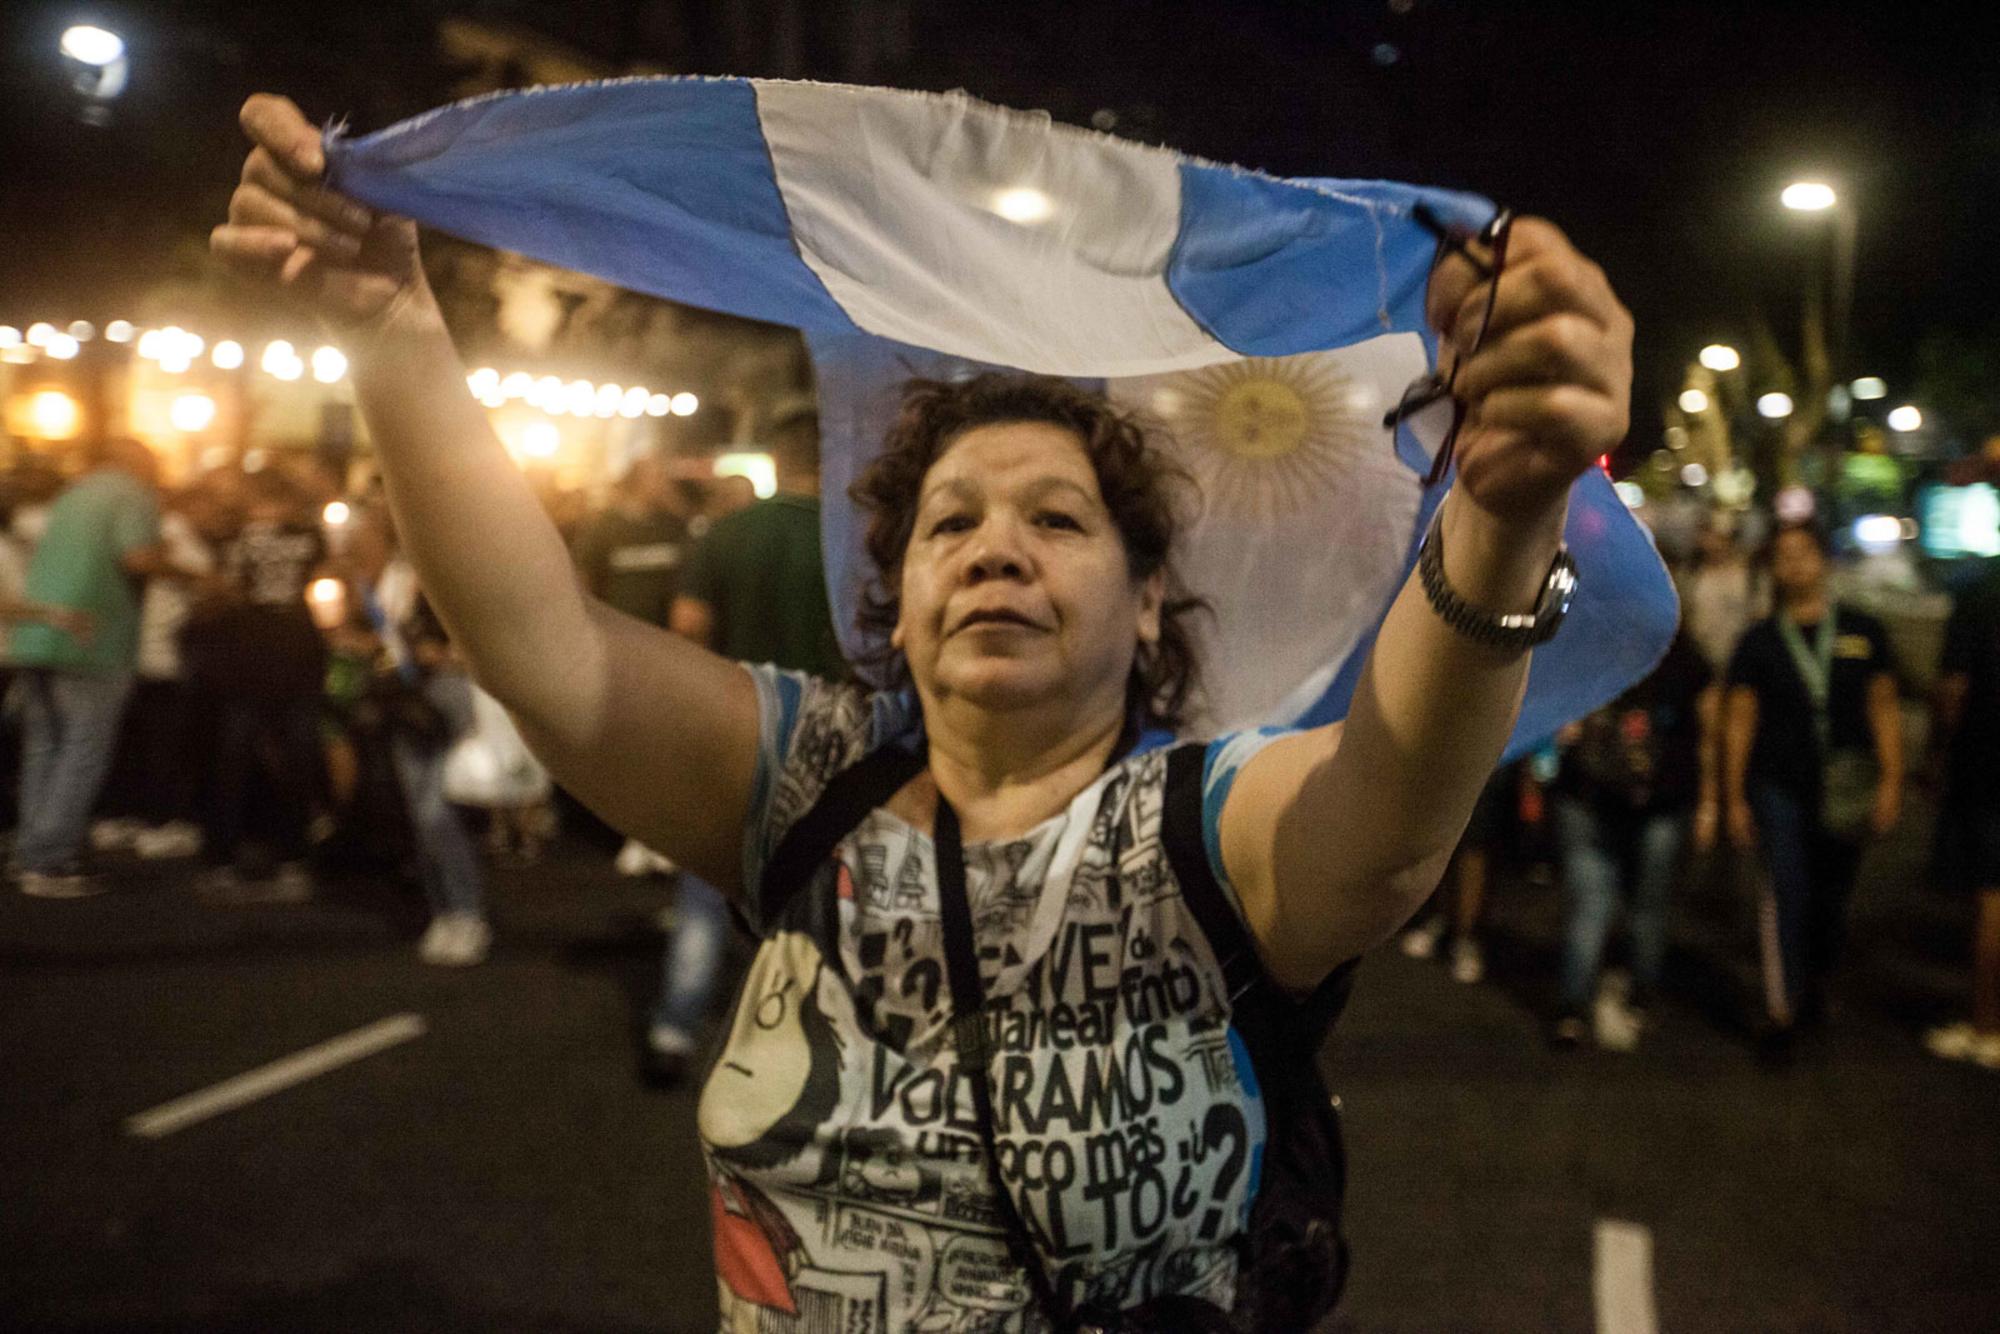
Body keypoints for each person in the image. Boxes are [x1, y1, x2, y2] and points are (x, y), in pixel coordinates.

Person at [215, 93, 1632, 1326]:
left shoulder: (1208, 821)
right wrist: (386, 324)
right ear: (893, 599)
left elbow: (1389, 816)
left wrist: (1501, 511)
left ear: (1149, 599)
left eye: (1057, 519)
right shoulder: (802, 780)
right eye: (950, 522)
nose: (995, 548)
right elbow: (540, 646)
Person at [638, 400, 845, 1086]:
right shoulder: (852, 542)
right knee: (819, 900)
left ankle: (674, 1028)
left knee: (706, 889)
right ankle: (809, 1043)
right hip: (832, 744)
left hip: (734, 733)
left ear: (778, 460)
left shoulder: (727, 535)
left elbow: (687, 627)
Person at [1720, 521, 1903, 1054]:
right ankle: (1781, 1008)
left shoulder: (1863, 630)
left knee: (1832, 895)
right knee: (1785, 890)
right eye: (1784, 556)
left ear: (1824, 561)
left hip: (1845, 785)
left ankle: (1816, 983)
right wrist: (1733, 798)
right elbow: (1739, 722)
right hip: (1777, 784)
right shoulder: (1758, 641)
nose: (1795, 564)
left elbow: (1883, 708)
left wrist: (1891, 781)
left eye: (1804, 553)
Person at [7, 437, 182, 898]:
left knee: (44, 747)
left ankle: (30, 849)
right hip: (93, 638)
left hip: (37, 634)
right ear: (140, 463)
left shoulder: (73, 495)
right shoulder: (132, 494)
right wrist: (189, 574)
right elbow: (136, 558)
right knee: (83, 749)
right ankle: (49, 860)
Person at [1549, 630, 1717, 1049]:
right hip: (1649, 800)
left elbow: (1553, 723)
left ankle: (1575, 1007)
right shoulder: (1685, 658)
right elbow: (1709, 733)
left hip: (1593, 796)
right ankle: (1636, 998)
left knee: (1596, 903)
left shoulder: (1587, 645)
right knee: (1645, 905)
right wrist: (1709, 803)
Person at [191, 467, 329, 902]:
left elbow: (217, 595)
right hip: (299, 655)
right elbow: (330, 586)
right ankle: (293, 859)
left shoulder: (231, 539)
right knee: (297, 761)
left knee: (231, 762)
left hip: (245, 658)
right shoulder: (310, 538)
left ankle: (223, 860)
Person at [1925, 561, 2000, 1068]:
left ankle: (1987, 1025)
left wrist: (1937, 753)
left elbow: (1953, 687)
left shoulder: (1981, 593)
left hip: (1987, 761)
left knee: (1992, 893)